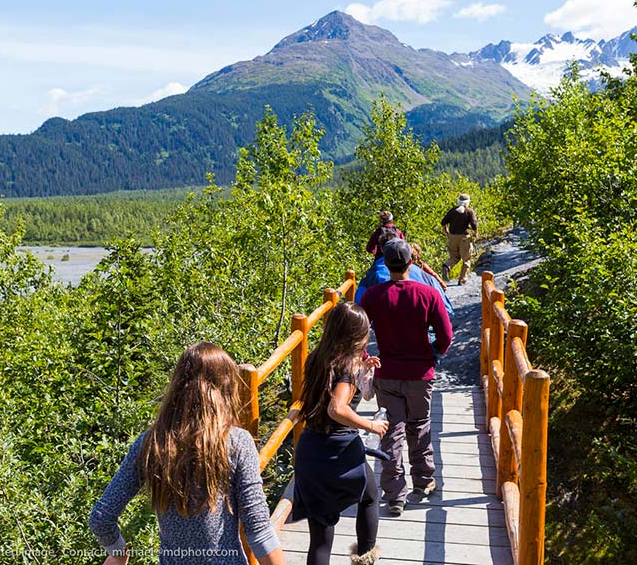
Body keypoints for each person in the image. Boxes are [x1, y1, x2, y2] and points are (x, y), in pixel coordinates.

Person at [89, 343, 285, 565]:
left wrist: (118, 552)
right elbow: (258, 530)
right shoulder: (237, 443)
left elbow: (101, 518)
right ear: (225, 388)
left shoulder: (151, 443)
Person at [359, 238, 453, 517]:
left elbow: (358, 331)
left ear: (385, 264)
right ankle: (422, 483)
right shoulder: (428, 294)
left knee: (391, 432)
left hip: (387, 374)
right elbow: (446, 335)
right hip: (420, 374)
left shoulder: (373, 296)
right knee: (420, 426)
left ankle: (394, 495)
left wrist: (366, 357)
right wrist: (433, 354)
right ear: (411, 262)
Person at [293, 303, 388, 565]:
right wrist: (371, 426)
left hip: (310, 448)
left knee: (321, 536)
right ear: (357, 334)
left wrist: (366, 371)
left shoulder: (317, 358)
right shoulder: (348, 365)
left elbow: (341, 395)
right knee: (369, 496)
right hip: (338, 450)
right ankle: (365, 560)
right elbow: (337, 408)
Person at [441, 193, 478, 285]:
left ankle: (446, 266)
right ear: (467, 202)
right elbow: (474, 224)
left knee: (454, 257)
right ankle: (462, 279)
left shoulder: (452, 210)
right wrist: (475, 233)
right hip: (464, 238)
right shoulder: (469, 211)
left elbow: (443, 222)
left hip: (452, 238)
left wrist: (446, 231)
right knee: (466, 259)